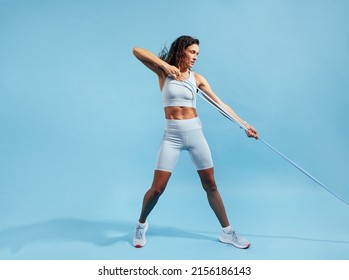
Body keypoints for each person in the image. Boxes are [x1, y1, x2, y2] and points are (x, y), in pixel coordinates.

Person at [132, 35, 258, 249]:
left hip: (195, 133)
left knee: (211, 185)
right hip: (171, 136)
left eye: (197, 53)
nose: (195, 57)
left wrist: (244, 124)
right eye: (192, 52)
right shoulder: (164, 73)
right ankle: (140, 224)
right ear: (181, 50)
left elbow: (220, 104)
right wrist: (164, 65)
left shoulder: (197, 78)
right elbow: (137, 50)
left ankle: (227, 232)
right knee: (157, 189)